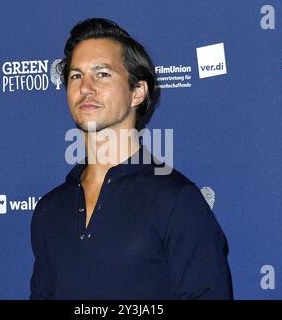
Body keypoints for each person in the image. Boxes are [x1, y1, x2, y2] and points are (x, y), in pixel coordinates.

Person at [30, 18, 233, 300]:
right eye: (76, 76)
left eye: (102, 74)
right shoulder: (49, 209)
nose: (85, 87)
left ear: (137, 92)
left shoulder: (177, 200)